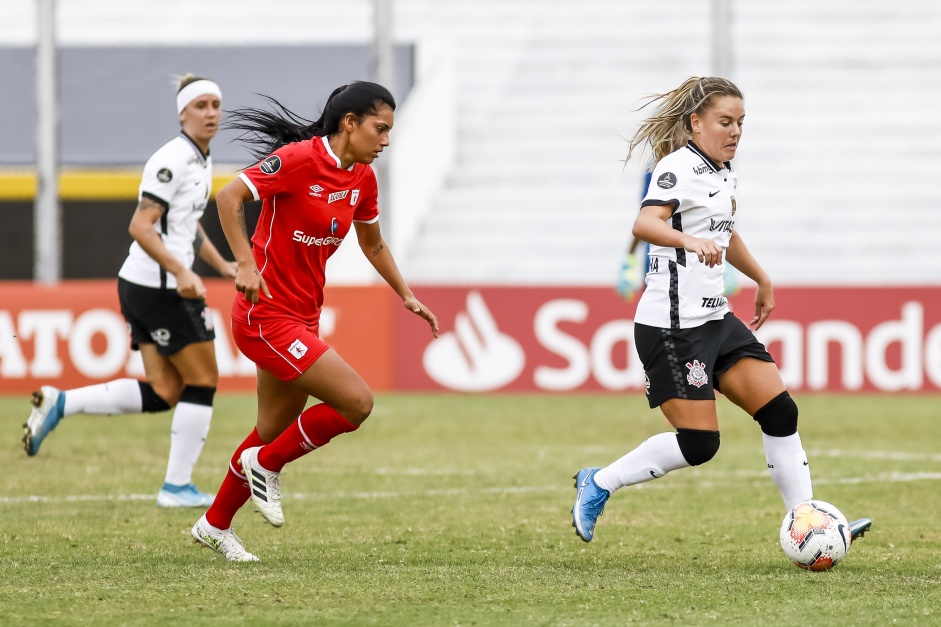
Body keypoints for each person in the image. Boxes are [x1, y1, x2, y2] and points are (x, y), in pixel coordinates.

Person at [572, 77, 871, 545]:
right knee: (700, 445)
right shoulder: (677, 167)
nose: (735, 132)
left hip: (715, 320)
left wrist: (762, 277)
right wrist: (688, 239)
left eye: (741, 123)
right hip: (671, 328)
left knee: (780, 411)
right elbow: (645, 222)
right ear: (696, 123)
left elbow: (726, 235)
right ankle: (599, 482)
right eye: (725, 122)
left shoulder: (722, 172)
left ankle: (807, 521)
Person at [190, 82, 439, 562]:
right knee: (356, 403)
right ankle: (266, 465)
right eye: (380, 129)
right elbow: (228, 197)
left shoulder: (363, 178)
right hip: (265, 316)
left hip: (303, 318)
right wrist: (244, 262)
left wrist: (407, 296)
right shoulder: (299, 159)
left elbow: (373, 245)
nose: (386, 140)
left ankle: (214, 523)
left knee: (270, 427)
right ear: (350, 124)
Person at [22, 74, 235, 509]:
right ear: (182, 112)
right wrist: (181, 272)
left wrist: (221, 266)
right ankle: (176, 487)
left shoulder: (200, 158)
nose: (211, 112)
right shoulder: (173, 159)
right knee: (204, 379)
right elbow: (140, 226)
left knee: (164, 391)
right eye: (202, 105)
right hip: (159, 289)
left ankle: (61, 403)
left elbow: (186, 224)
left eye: (216, 104)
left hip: (145, 286)